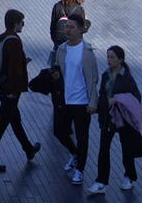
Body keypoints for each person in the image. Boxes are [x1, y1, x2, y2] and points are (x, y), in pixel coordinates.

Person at [0, 9, 40, 172]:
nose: (23, 24)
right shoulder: (14, 41)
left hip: (1, 87)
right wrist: (14, 91)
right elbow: (13, 70)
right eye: (22, 22)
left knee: (15, 119)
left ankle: (28, 149)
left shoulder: (1, 38)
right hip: (10, 91)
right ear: (15, 24)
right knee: (1, 124)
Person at [87, 45, 142, 195]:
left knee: (126, 148)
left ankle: (129, 176)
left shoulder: (127, 78)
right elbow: (101, 93)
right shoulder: (106, 75)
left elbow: (136, 97)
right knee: (103, 149)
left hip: (123, 118)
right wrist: (101, 106)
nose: (109, 60)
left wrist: (117, 100)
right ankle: (101, 181)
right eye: (108, 57)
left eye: (112, 57)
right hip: (108, 117)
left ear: (120, 59)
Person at [50, 14, 99, 187]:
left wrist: (93, 102)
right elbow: (58, 71)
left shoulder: (87, 52)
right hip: (65, 100)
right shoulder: (62, 49)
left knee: (82, 137)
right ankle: (75, 153)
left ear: (80, 30)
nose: (67, 30)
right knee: (59, 131)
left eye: (71, 27)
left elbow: (92, 79)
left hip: (81, 102)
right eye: (66, 26)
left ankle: (80, 170)